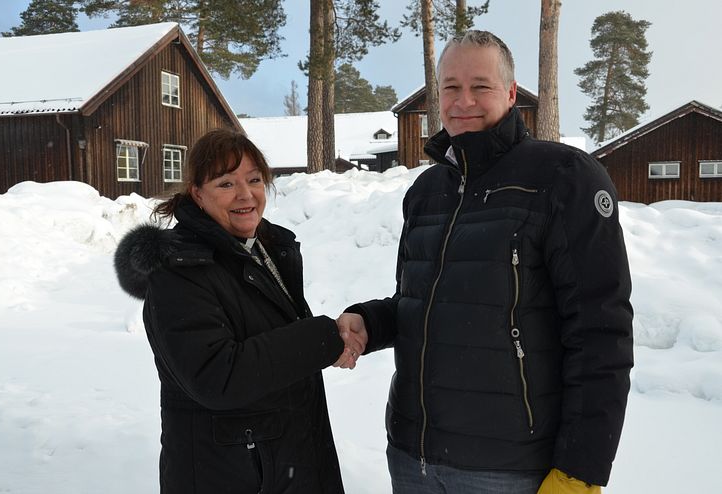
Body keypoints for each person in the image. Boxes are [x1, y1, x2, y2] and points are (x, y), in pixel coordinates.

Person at [338, 30, 633, 493]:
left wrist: (580, 470)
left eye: (481, 86)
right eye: (451, 87)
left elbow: (600, 332)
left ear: (511, 93)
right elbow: (423, 303)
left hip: (509, 469)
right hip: (412, 458)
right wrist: (370, 322)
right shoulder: (427, 192)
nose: (463, 101)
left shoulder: (562, 179)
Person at [114, 128, 365, 494]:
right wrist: (324, 338)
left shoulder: (264, 250)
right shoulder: (180, 271)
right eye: (226, 184)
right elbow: (218, 377)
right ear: (197, 194)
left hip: (282, 464)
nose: (246, 194)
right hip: (231, 473)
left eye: (254, 179)